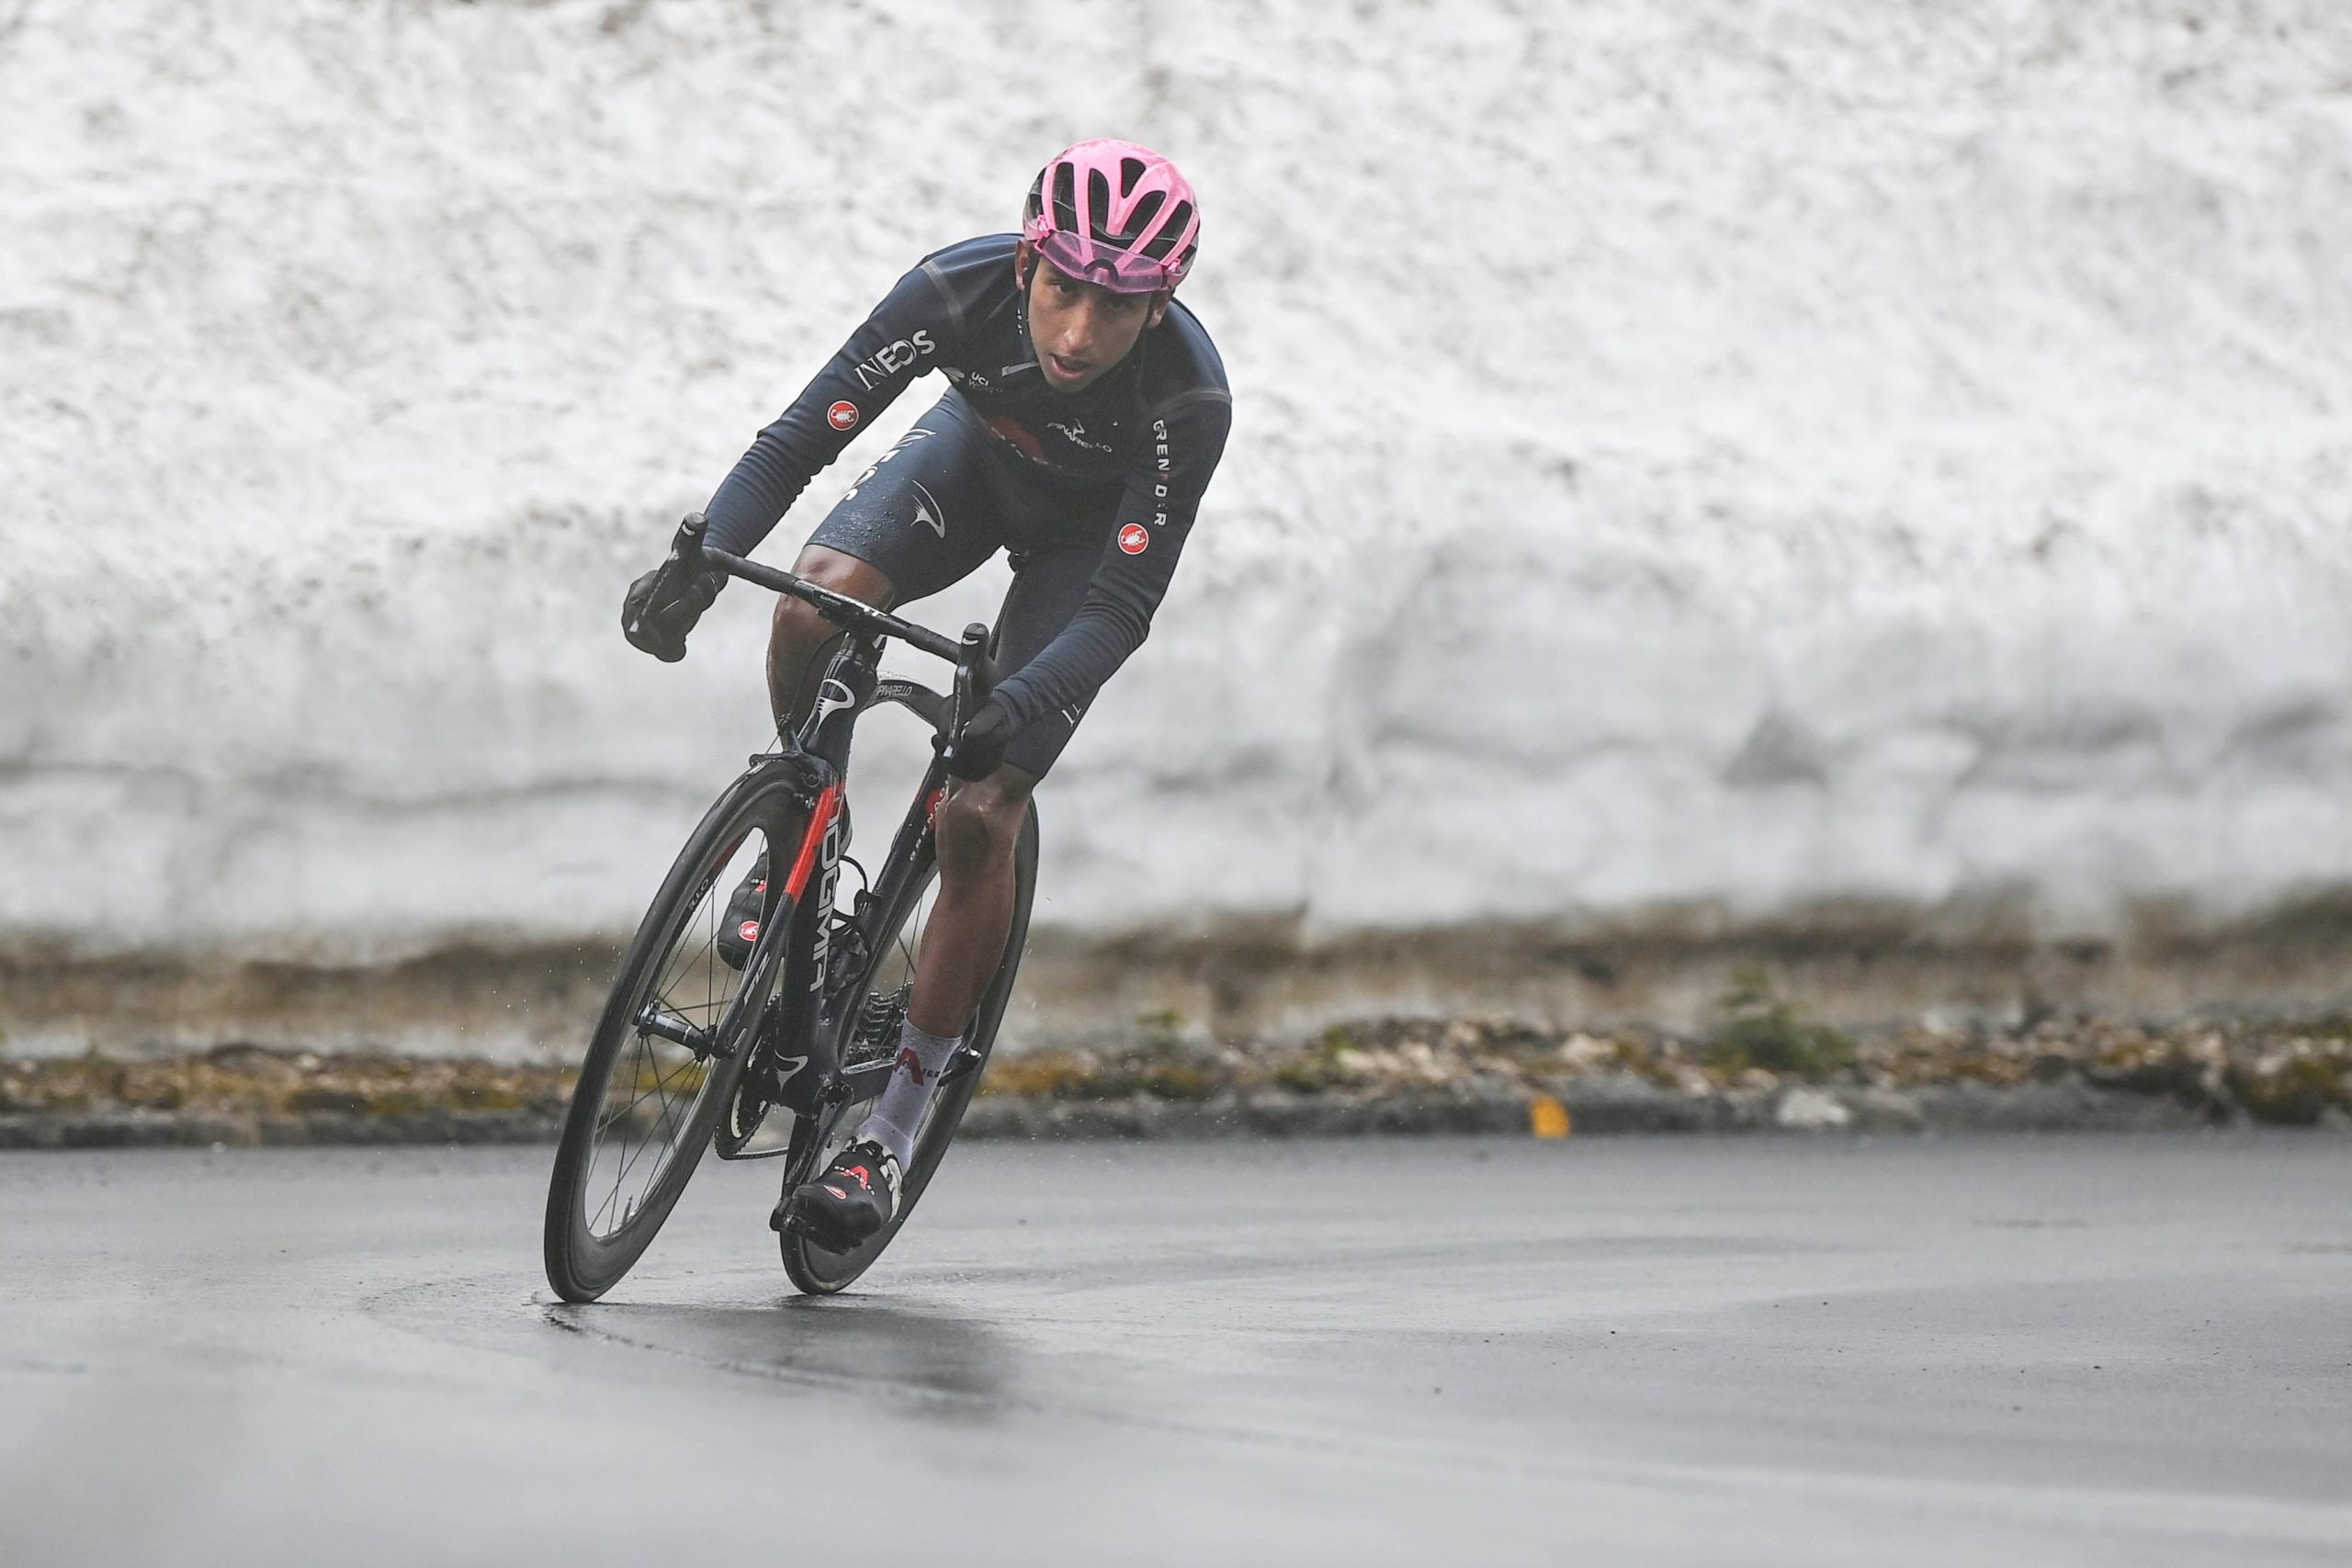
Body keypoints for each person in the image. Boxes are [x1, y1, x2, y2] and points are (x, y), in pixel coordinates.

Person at [619, 141, 1231, 1246]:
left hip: (1081, 555)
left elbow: (1118, 608)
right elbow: (803, 437)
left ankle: (889, 1134)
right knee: (811, 602)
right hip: (972, 460)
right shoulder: (951, 287)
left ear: (1163, 301)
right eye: (1062, 290)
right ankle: (802, 820)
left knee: (977, 809)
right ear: (1027, 266)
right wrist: (700, 556)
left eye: (1118, 306)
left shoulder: (1187, 396)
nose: (1079, 334)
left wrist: (1019, 706)